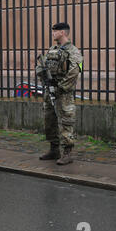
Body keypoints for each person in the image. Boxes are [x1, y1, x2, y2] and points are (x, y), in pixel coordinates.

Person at [36, 23, 83, 165]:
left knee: (66, 122)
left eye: (55, 31)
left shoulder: (73, 51)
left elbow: (74, 72)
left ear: (62, 32)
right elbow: (42, 65)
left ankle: (67, 153)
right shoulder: (52, 50)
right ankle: (54, 149)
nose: (52, 33)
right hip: (49, 91)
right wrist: (42, 74)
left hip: (63, 93)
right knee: (49, 120)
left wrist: (60, 88)